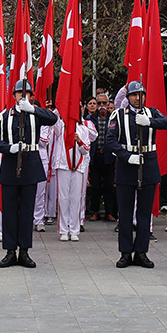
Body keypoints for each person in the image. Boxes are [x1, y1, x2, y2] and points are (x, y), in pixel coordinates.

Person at [0, 77, 56, 269]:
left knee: (27, 212)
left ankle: (24, 251)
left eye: (27, 93)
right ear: (14, 95)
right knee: (9, 212)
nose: (23, 96)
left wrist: (33, 109)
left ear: (32, 96)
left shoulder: (36, 114)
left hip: (30, 166)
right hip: (10, 165)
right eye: (20, 93)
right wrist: (9, 148)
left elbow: (53, 119)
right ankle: (10, 251)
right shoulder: (4, 116)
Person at [106, 79, 167, 269]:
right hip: (127, 166)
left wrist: (150, 122)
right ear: (128, 97)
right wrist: (127, 156)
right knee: (126, 213)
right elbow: (110, 140)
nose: (138, 98)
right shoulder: (119, 115)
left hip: (148, 163)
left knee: (145, 213)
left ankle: (142, 252)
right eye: (134, 95)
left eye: (141, 94)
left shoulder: (151, 112)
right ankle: (125, 253)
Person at [49, 102, 96, 242]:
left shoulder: (83, 128)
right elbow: (53, 117)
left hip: (78, 167)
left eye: (78, 107)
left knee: (76, 198)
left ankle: (74, 229)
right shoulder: (61, 126)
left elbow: (86, 149)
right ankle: (64, 230)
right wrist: (63, 104)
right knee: (63, 198)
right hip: (63, 166)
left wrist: (79, 141)